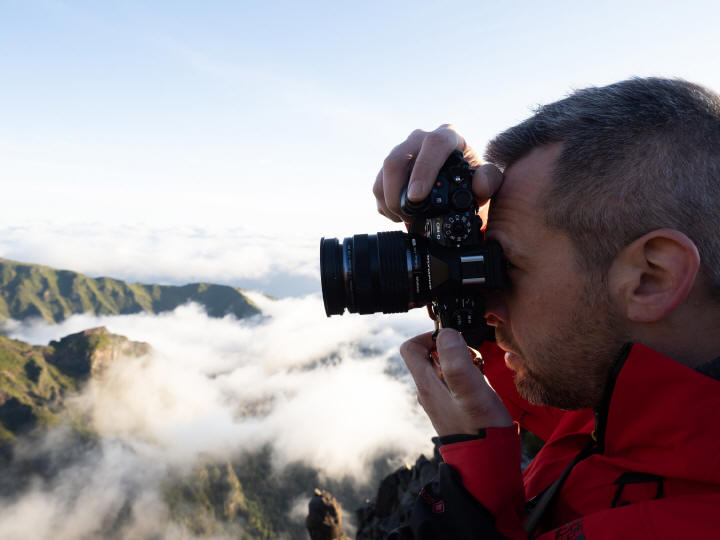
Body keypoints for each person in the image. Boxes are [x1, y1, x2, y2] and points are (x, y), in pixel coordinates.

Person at [373, 77, 720, 539]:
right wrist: (455, 229)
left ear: (651, 278)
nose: (489, 307)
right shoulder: (617, 404)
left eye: (508, 267)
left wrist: (472, 503)